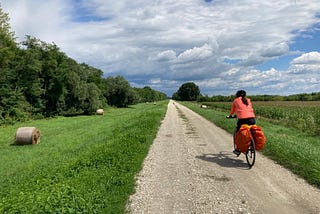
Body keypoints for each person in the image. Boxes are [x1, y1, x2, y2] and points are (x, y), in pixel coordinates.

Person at [228, 90, 256, 156]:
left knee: (238, 133)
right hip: (252, 119)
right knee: (252, 131)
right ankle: (252, 144)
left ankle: (237, 149)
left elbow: (233, 110)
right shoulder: (248, 100)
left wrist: (230, 115)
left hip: (242, 120)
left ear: (237, 95)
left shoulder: (236, 100)